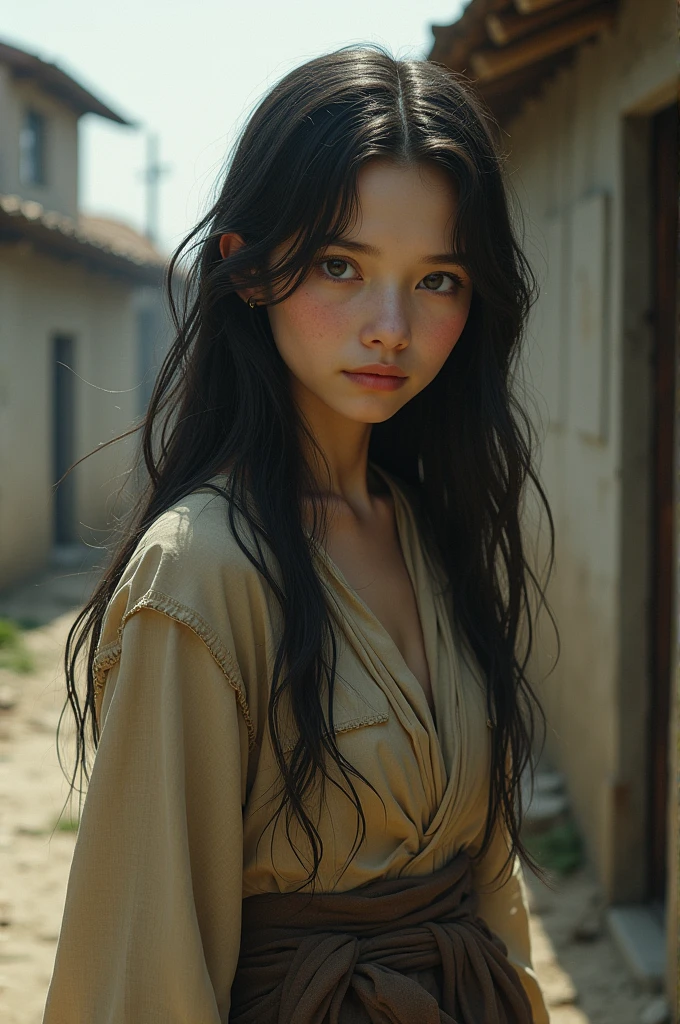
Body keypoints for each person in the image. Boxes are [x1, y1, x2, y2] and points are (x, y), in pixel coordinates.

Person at [42, 45, 555, 1024]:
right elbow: (143, 966)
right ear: (247, 269)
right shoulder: (198, 573)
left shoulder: (430, 532)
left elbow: (490, 891)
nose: (389, 327)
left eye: (436, 279)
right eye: (339, 266)